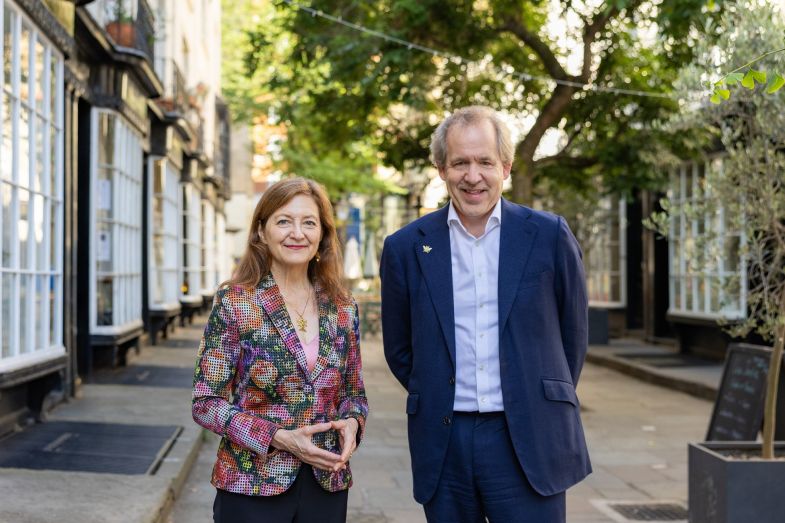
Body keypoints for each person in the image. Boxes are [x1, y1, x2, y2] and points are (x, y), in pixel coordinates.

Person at [380, 105, 591, 522]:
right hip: (445, 441)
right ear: (441, 168)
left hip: (530, 436)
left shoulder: (548, 235)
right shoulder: (405, 248)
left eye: (484, 162)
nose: (472, 176)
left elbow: (573, 335)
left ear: (506, 167)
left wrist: (538, 395)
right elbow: (400, 349)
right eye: (460, 162)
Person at [193, 177, 368, 523]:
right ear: (261, 230)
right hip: (251, 485)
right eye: (284, 221)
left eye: (309, 222)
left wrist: (352, 423)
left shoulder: (343, 307)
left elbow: (354, 395)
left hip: (326, 484)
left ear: (322, 235)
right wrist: (279, 437)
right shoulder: (236, 302)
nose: (297, 233)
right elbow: (206, 403)